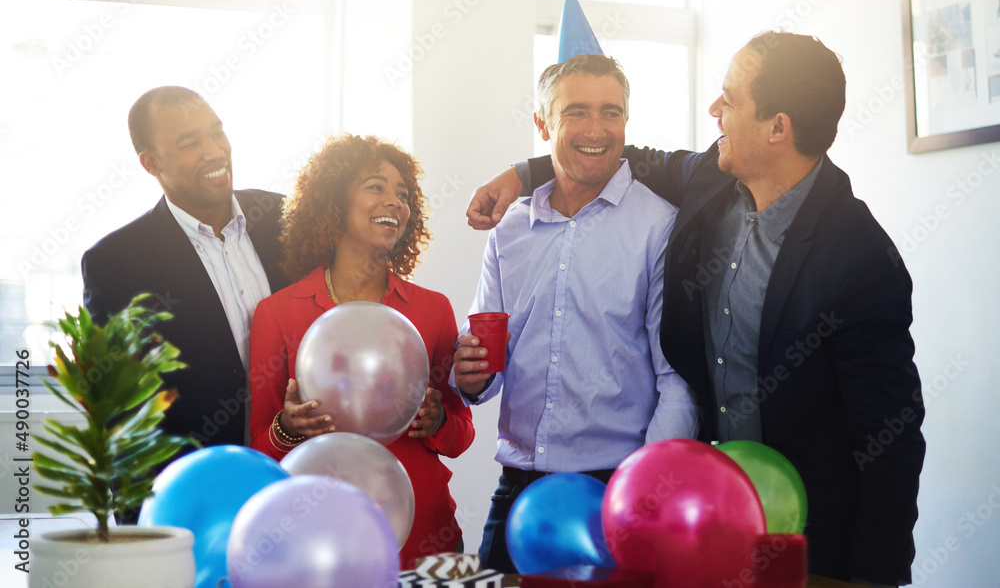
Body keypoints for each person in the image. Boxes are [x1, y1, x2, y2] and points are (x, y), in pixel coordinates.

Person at [465, 32, 925, 587]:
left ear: (778, 127)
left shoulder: (858, 254)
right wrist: (522, 172)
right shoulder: (711, 182)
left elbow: (890, 431)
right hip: (710, 512)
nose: (714, 111)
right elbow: (612, 154)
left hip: (807, 531)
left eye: (728, 100)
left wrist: (876, 576)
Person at [451, 54, 700, 573]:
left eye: (611, 112)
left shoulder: (659, 226)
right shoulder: (509, 230)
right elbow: (482, 373)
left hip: (614, 490)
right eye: (576, 113)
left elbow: (675, 376)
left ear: (627, 123)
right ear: (542, 123)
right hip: (518, 491)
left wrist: (647, 491)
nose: (596, 129)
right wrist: (468, 376)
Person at [248, 134, 474, 568]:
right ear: (333, 202)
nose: (395, 202)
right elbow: (260, 448)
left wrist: (438, 419)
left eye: (403, 194)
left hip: (424, 536)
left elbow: (461, 434)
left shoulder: (432, 309)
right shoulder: (277, 312)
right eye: (376, 186)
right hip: (319, 544)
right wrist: (290, 428)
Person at [82, 86, 287, 450]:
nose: (214, 151)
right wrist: (141, 507)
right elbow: (121, 408)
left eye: (216, 132)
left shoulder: (286, 218)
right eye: (190, 143)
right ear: (151, 163)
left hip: (299, 465)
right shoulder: (115, 263)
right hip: (198, 479)